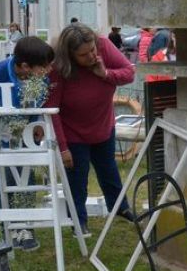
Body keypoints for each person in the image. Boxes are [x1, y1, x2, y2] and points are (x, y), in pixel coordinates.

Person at [45, 23, 136, 234]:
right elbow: (52, 109)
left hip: (103, 125)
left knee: (109, 171)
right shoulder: (57, 68)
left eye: (92, 50)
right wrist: (63, 147)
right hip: (73, 132)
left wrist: (104, 73)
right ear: (70, 56)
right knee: (77, 178)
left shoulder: (104, 45)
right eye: (83, 55)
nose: (91, 56)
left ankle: (120, 208)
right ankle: (78, 220)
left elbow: (129, 73)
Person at [0, 36, 56, 250]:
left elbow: (40, 106)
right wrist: (7, 133)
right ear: (24, 66)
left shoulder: (40, 80)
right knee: (4, 182)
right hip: (1, 140)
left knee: (27, 180)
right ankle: (9, 229)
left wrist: (37, 125)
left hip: (27, 139)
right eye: (44, 67)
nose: (48, 70)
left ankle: (26, 228)